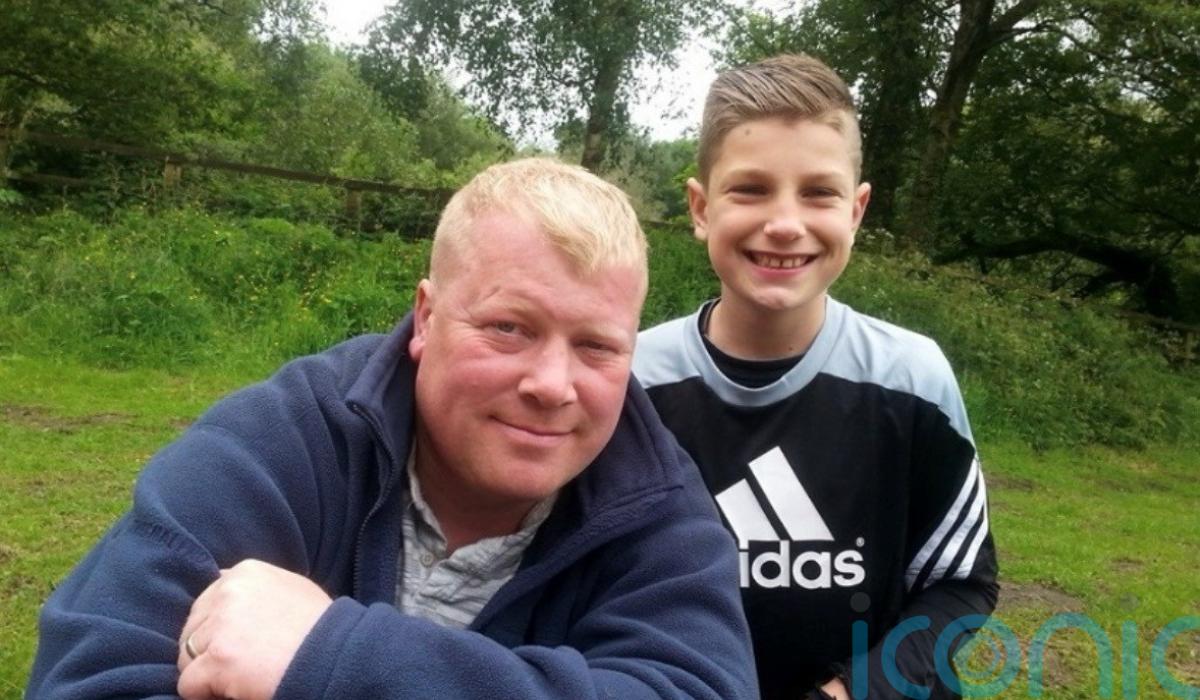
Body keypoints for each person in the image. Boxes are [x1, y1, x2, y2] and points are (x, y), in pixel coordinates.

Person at [27, 158, 758, 700]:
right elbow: (89, 678)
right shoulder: (286, 439)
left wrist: (333, 659)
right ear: (426, 318)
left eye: (597, 347)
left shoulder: (656, 506)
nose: (552, 385)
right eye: (509, 328)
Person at [633, 55, 999, 700]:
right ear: (700, 207)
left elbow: (960, 583)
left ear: (856, 210)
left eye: (818, 192)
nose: (784, 223)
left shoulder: (913, 379)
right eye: (750, 189)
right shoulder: (632, 381)